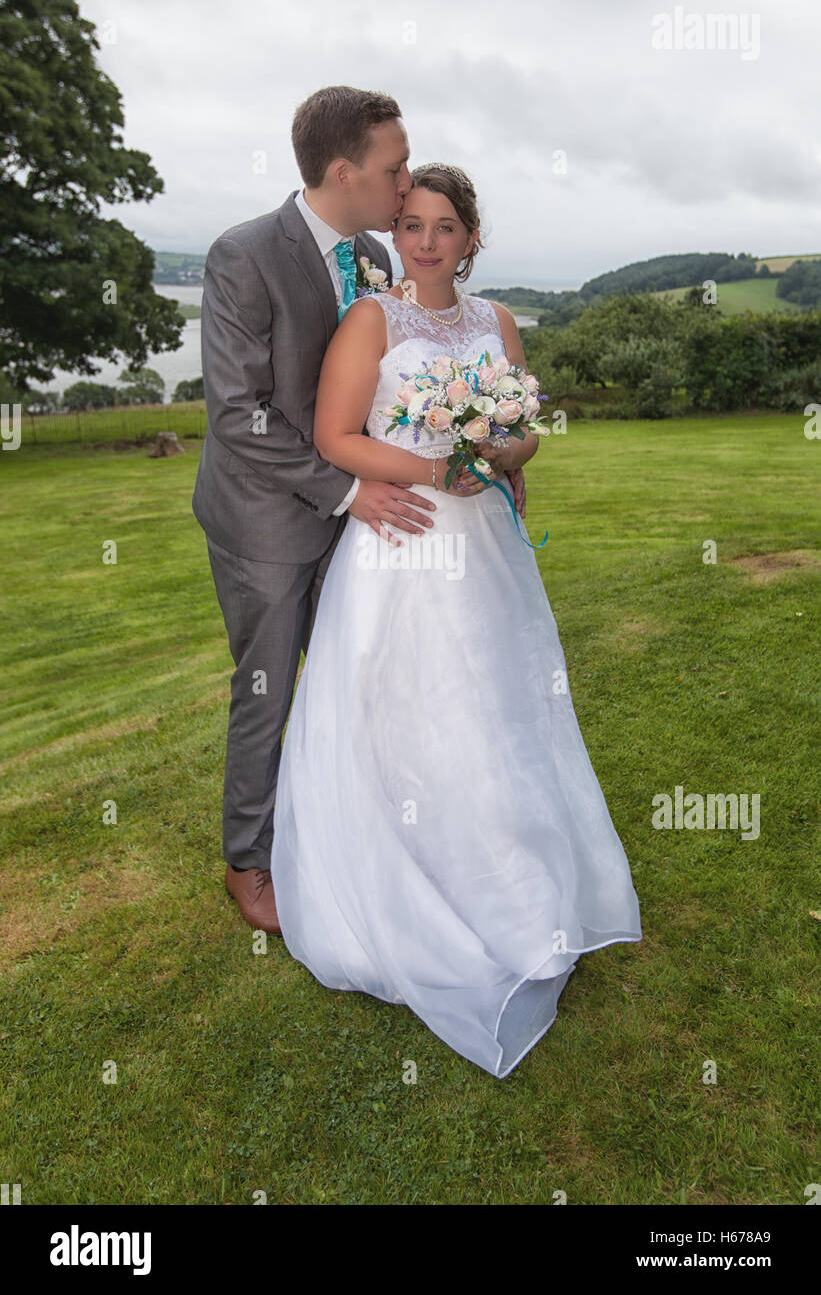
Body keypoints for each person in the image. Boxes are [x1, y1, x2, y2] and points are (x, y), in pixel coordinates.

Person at [270, 162, 643, 1078]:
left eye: (444, 226)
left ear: (472, 238)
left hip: (485, 546)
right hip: (405, 537)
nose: (426, 241)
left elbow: (524, 429)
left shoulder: (497, 321)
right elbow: (337, 438)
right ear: (395, 234)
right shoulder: (372, 319)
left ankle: (520, 892)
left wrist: (508, 445)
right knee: (413, 707)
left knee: (499, 708)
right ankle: (416, 885)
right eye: (411, 225)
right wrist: (438, 470)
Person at [192, 87, 524, 935]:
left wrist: (488, 451)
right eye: (394, 166)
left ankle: (359, 830)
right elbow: (240, 413)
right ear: (345, 171)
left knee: (361, 682)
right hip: (268, 518)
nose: (405, 179)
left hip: (371, 517)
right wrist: (349, 488)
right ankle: (250, 859)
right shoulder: (244, 255)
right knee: (268, 686)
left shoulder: (378, 256)